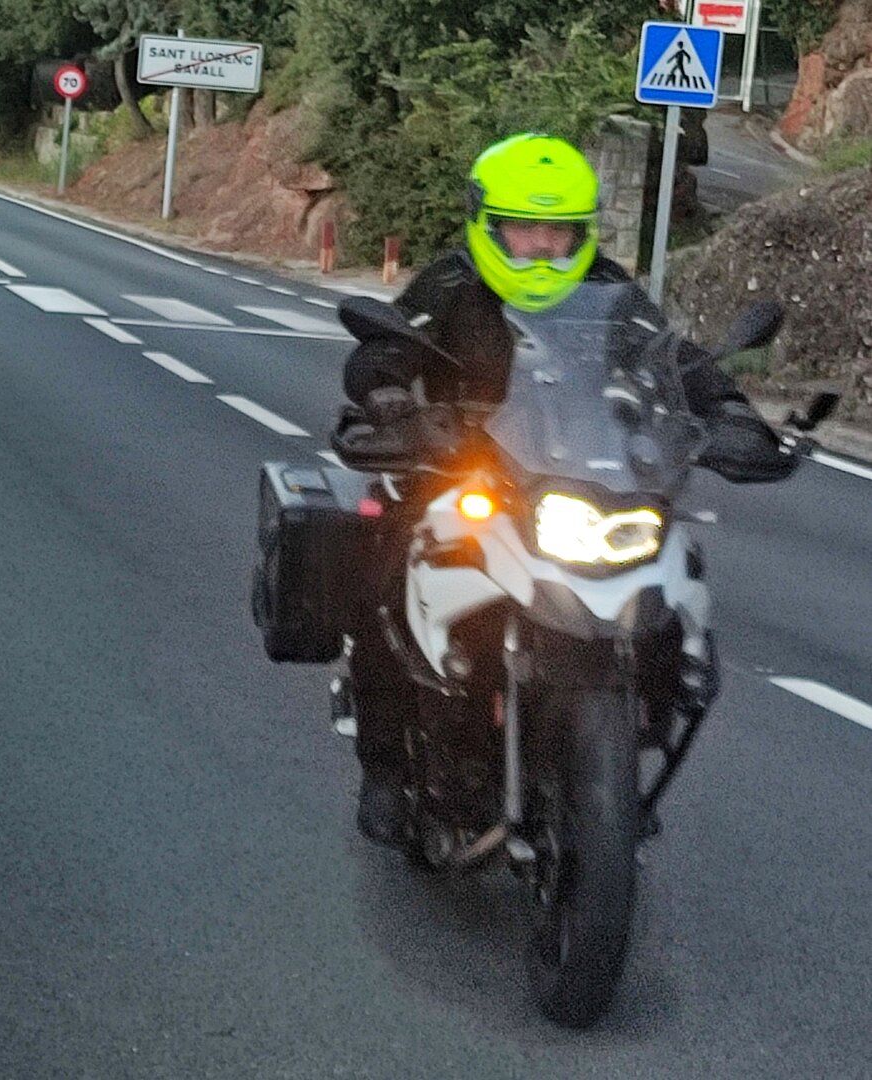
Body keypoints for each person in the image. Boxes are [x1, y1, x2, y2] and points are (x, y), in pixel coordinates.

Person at [341, 132, 796, 845]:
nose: (542, 248)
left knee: (668, 567)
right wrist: (393, 402)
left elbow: (673, 361)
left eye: (557, 232)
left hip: (583, 475)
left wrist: (729, 413)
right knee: (381, 570)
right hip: (463, 471)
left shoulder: (612, 292)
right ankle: (381, 768)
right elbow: (383, 349)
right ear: (487, 225)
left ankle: (633, 722)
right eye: (524, 231)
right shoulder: (451, 284)